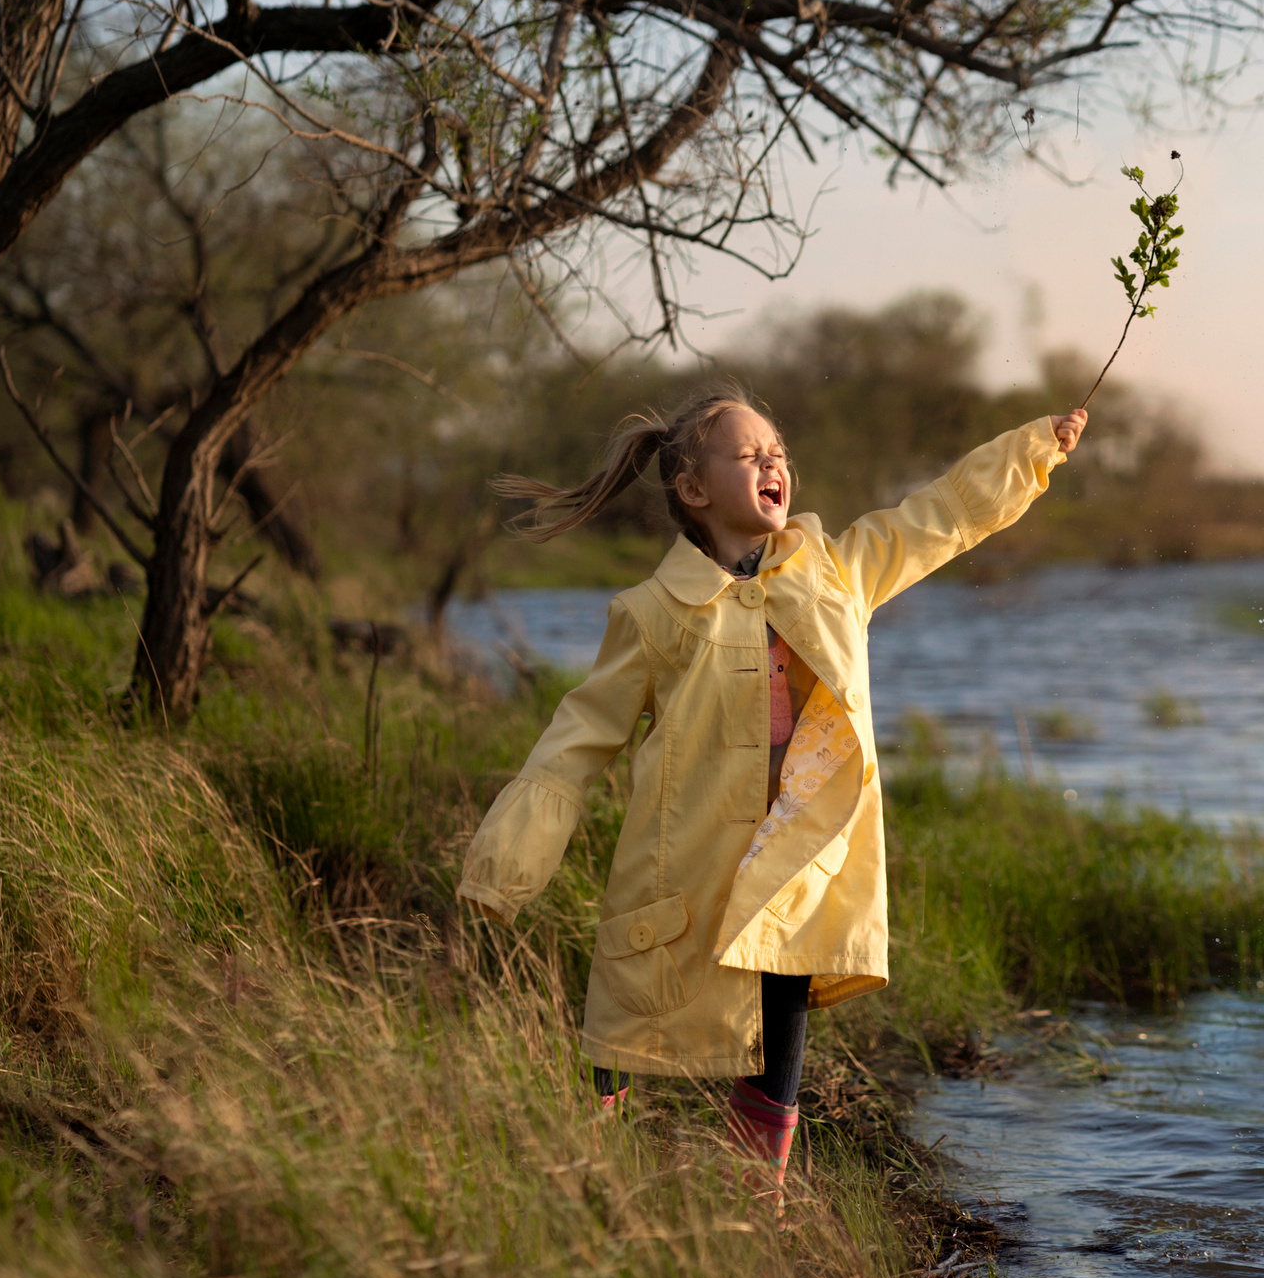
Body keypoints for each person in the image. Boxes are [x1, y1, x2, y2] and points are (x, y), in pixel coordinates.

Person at [456, 386, 1089, 1190]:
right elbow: (574, 742)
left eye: (779, 452)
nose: (773, 464)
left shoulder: (838, 573)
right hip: (683, 862)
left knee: (782, 1007)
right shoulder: (653, 613)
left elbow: (942, 516)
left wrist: (1033, 451)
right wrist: (505, 867)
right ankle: (583, 1176)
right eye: (750, 455)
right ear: (693, 488)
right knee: (629, 1015)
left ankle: (756, 1197)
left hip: (796, 859)